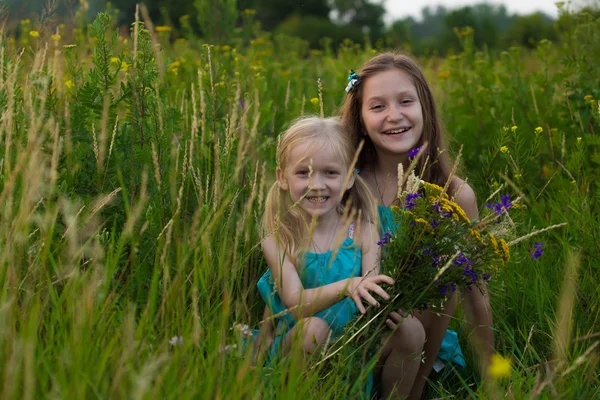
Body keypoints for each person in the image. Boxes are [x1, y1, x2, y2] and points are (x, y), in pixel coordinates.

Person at [338, 52, 495, 399]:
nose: (394, 115)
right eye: (377, 106)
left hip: (412, 343)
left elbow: (475, 295)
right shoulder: (345, 183)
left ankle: (415, 391)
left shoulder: (452, 193)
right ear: (361, 119)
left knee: (451, 272)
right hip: (344, 327)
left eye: (405, 101)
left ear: (424, 107)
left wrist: (496, 379)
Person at [256, 116, 395, 378]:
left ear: (349, 178)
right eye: (303, 173)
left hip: (350, 345)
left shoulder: (364, 230)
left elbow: (372, 295)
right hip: (297, 347)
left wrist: (389, 311)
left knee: (410, 330)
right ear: (282, 178)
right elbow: (295, 305)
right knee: (314, 329)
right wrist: (348, 285)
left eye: (330, 173)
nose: (317, 184)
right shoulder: (280, 238)